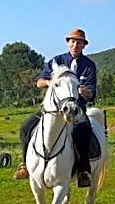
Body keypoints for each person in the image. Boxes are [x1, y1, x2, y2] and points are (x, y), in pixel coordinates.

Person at [14, 28, 97, 187]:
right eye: (72, 41)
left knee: (84, 130)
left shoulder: (89, 66)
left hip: (76, 108)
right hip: (53, 109)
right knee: (25, 127)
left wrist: (85, 91)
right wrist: (50, 83)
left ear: (83, 45)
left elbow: (92, 93)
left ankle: (83, 170)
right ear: (68, 43)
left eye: (79, 42)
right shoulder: (56, 61)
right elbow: (39, 82)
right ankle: (25, 165)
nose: (75, 45)